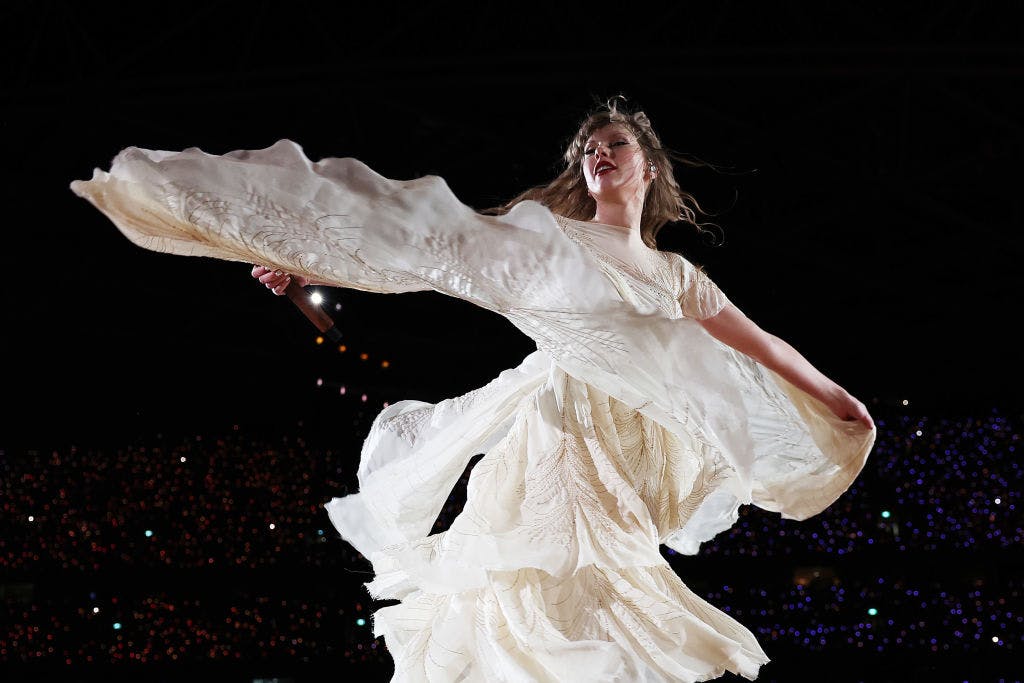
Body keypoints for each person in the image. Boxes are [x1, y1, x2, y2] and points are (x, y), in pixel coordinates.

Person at [72, 97, 876, 682]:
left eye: (614, 143)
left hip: (634, 449)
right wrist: (306, 272)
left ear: (648, 165)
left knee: (609, 587)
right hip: (559, 429)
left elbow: (760, 342)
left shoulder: (677, 276)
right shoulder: (553, 237)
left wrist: (839, 397)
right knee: (533, 583)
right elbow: (437, 253)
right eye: (589, 148)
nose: (599, 154)